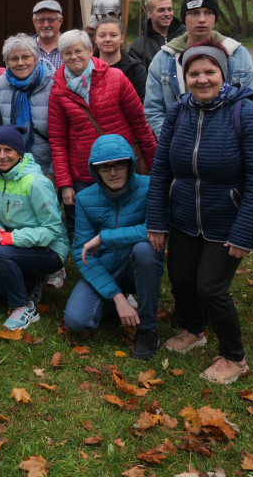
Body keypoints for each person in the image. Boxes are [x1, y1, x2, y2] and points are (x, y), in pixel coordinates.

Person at [146, 42, 253, 384]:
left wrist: (245, 232)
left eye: (209, 72)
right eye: (194, 73)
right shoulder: (178, 113)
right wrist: (157, 221)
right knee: (181, 278)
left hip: (229, 220)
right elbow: (161, 172)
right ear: (184, 77)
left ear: (224, 74)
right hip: (185, 216)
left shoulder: (248, 114)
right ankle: (193, 329)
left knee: (210, 287)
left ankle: (235, 355)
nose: (202, 80)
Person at [48, 30, 156, 242]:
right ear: (61, 57)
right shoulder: (58, 91)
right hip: (83, 170)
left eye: (78, 51)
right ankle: (90, 263)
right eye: (67, 53)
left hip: (121, 163)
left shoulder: (116, 78)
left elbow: (140, 124)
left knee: (126, 217)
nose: (73, 57)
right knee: (85, 225)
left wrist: (155, 166)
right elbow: (58, 140)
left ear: (90, 50)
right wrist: (65, 183)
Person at [64, 135, 162, 360]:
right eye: (105, 167)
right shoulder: (85, 199)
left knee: (145, 250)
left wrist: (105, 237)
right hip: (105, 269)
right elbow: (82, 255)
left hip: (138, 266)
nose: (113, 172)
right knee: (77, 321)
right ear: (95, 170)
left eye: (119, 164)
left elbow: (156, 231)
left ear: (129, 164)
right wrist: (116, 296)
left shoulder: (149, 188)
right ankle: (118, 300)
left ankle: (147, 329)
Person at [0, 125, 68, 331]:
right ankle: (33, 280)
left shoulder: (36, 183)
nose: (1, 156)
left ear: (20, 153)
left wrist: (11, 238)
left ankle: (24, 306)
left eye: (8, 150)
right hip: (17, 246)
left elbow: (53, 229)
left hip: (51, 249)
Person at [144, 0, 253, 138]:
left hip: (228, 149)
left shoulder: (238, 55)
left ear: (216, 17)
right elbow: (153, 110)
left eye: (208, 12)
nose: (202, 19)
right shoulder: (163, 59)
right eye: (195, 13)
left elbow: (252, 107)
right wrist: (174, 142)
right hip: (180, 150)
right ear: (184, 17)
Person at [0, 34, 54, 177]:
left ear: (35, 59)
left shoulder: (53, 83)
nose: (20, 62)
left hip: (47, 166)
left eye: (26, 57)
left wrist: (54, 173)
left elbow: (63, 134)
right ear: (7, 62)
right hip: (13, 168)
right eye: (14, 58)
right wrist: (4, 155)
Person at [95, 18, 146, 102]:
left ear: (122, 38)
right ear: (95, 39)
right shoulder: (87, 68)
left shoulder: (136, 70)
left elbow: (142, 104)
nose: (107, 39)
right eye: (102, 36)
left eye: (113, 35)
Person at [128, 0, 184, 69]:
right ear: (149, 14)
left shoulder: (186, 37)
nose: (167, 14)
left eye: (170, 9)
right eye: (161, 10)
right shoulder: (139, 46)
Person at [31, 0, 64, 72]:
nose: (46, 25)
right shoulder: (26, 49)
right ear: (34, 22)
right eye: (41, 20)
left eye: (51, 20)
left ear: (60, 21)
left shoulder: (71, 47)